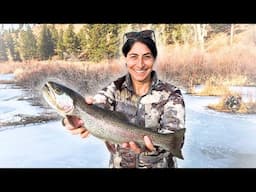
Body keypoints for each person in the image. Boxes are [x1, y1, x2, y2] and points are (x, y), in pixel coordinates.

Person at [62, 29, 186, 168]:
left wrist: (151, 151)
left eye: (146, 56)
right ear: (125, 59)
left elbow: (175, 139)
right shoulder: (114, 89)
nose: (140, 64)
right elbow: (97, 105)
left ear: (154, 59)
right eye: (133, 56)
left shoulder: (171, 94)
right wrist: (72, 119)